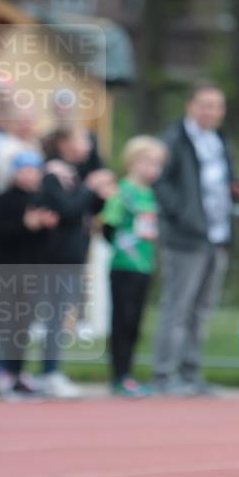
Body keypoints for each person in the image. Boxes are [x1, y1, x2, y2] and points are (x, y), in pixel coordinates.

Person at [153, 81, 239, 396]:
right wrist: (183, 213)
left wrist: (234, 187)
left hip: (217, 234)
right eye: (205, 104)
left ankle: (191, 372)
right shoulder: (174, 139)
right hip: (186, 236)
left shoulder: (220, 139)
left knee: (201, 308)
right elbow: (160, 181)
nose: (211, 111)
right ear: (190, 106)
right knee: (177, 306)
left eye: (217, 106)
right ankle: (164, 374)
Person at [39, 125, 116, 398]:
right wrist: (89, 188)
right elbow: (68, 210)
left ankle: (50, 371)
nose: (88, 145)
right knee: (52, 317)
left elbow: (87, 208)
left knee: (60, 317)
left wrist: (99, 194)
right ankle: (45, 373)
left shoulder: (76, 172)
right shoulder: (53, 174)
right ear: (63, 143)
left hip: (74, 254)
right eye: (82, 139)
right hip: (55, 256)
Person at [0, 151, 59, 398]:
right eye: (22, 169)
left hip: (31, 271)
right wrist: (24, 225)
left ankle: (16, 373)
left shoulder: (41, 200)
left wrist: (44, 226)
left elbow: (45, 241)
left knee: (22, 324)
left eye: (32, 170)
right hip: (5, 269)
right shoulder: (3, 199)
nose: (27, 175)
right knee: (0, 321)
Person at [102, 136, 167, 397]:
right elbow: (108, 225)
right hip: (123, 265)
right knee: (122, 320)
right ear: (133, 162)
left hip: (144, 265)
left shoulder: (150, 193)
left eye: (157, 164)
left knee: (136, 322)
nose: (154, 169)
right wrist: (123, 248)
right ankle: (119, 376)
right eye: (148, 162)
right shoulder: (122, 192)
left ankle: (128, 373)